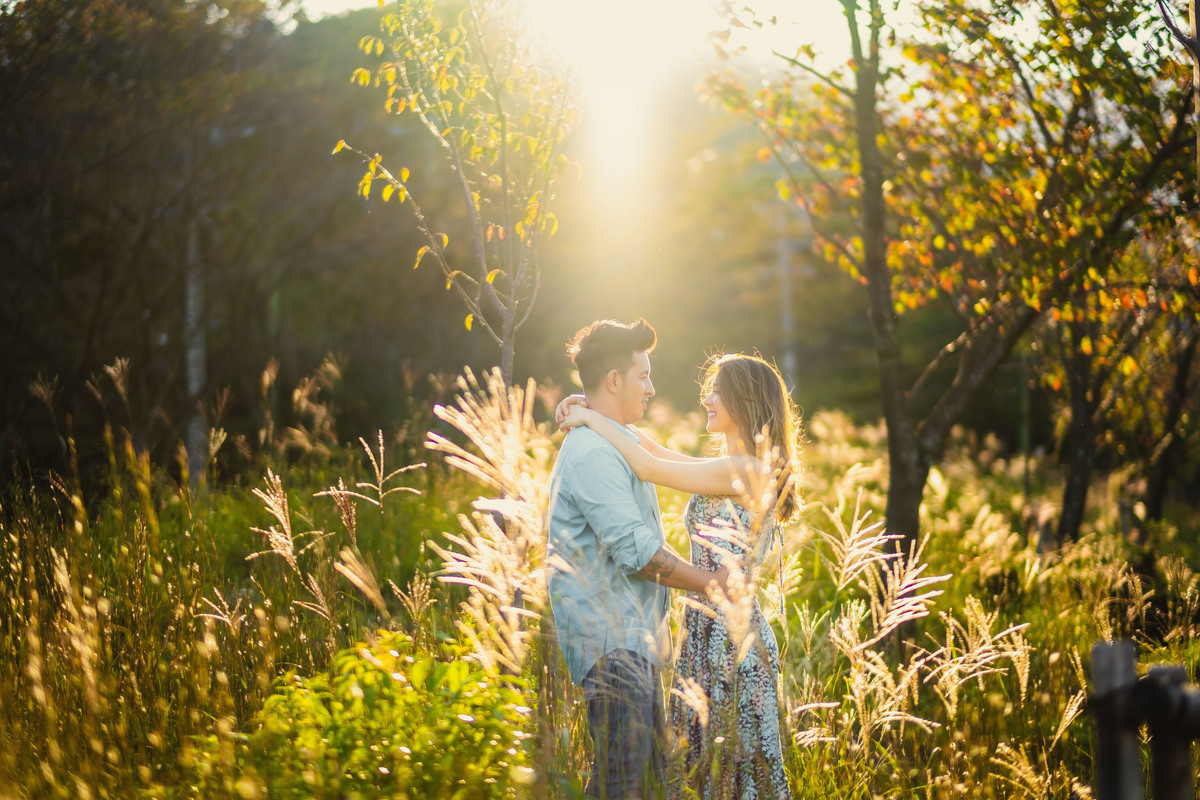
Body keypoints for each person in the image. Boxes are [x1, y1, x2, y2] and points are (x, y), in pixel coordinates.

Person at [558, 353, 801, 800]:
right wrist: (594, 409)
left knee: (737, 774)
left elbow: (649, 467)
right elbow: (654, 451)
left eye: (716, 391)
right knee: (704, 774)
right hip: (704, 633)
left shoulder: (747, 470)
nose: (706, 399)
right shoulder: (730, 465)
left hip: (732, 641)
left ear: (743, 400)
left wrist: (591, 416)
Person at [547, 317, 731, 800]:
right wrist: (712, 583)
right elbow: (639, 553)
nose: (651, 388)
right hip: (612, 648)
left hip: (634, 643)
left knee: (642, 784)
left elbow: (662, 459)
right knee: (624, 786)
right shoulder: (591, 451)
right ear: (613, 380)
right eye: (643, 376)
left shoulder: (612, 440)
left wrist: (589, 410)